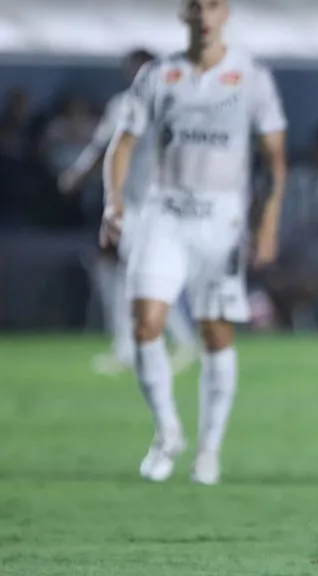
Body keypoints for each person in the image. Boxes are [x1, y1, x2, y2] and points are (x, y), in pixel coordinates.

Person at [101, 0, 288, 485]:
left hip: (221, 218)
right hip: (162, 212)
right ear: (182, 15)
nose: (204, 14)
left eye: (213, 5)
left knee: (215, 334)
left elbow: (275, 159)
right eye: (195, 6)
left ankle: (209, 449)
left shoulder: (250, 76)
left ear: (226, 13)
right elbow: (121, 143)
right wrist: (113, 204)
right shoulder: (159, 74)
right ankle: (167, 431)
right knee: (146, 323)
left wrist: (268, 222)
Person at [59, 48, 198, 376]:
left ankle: (176, 341)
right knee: (132, 275)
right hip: (159, 205)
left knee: (135, 275)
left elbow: (101, 148)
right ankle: (142, 346)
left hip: (142, 206)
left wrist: (76, 175)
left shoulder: (127, 104)